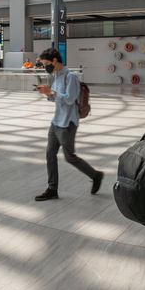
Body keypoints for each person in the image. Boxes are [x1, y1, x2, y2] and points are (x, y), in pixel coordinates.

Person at [33, 47, 103, 201]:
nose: (45, 67)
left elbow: (70, 99)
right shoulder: (57, 76)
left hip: (67, 123)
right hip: (56, 122)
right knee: (50, 154)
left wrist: (52, 92)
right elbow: (55, 99)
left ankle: (95, 175)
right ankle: (52, 189)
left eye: (47, 64)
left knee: (70, 157)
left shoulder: (70, 77)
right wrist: (47, 94)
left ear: (55, 60)